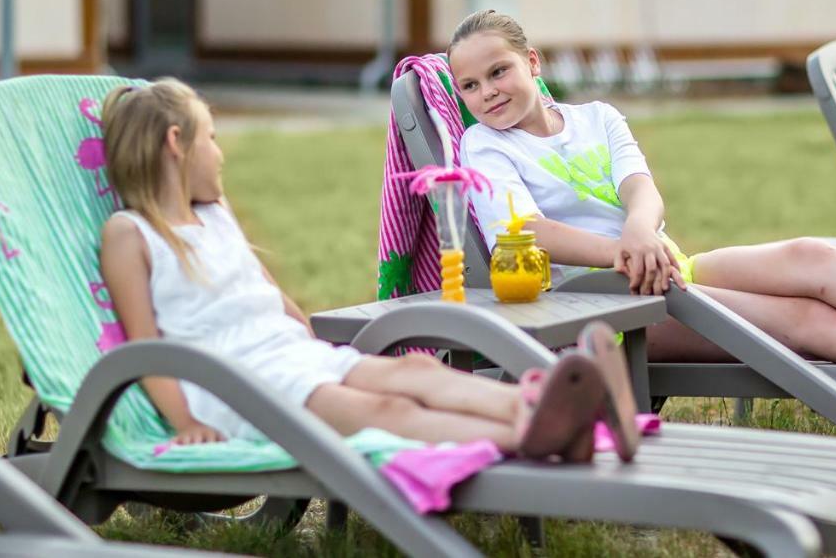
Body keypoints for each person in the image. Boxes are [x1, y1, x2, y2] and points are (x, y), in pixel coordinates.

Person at [448, 10, 836, 368]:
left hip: (668, 268)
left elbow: (640, 186)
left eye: (498, 71)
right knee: (800, 321)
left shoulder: (597, 118)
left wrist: (641, 231)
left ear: (533, 63)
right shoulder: (485, 146)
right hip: (601, 307)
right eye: (470, 87)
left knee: (812, 257)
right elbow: (524, 229)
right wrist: (623, 255)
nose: (487, 94)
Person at [98, 78, 640, 462]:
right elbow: (143, 346)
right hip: (234, 384)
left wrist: (319, 349)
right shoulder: (131, 234)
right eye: (210, 137)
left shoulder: (214, 215)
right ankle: (530, 433)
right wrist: (188, 423)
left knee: (415, 373)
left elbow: (273, 300)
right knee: (383, 410)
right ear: (176, 144)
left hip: (287, 360)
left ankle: (552, 406)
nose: (219, 153)